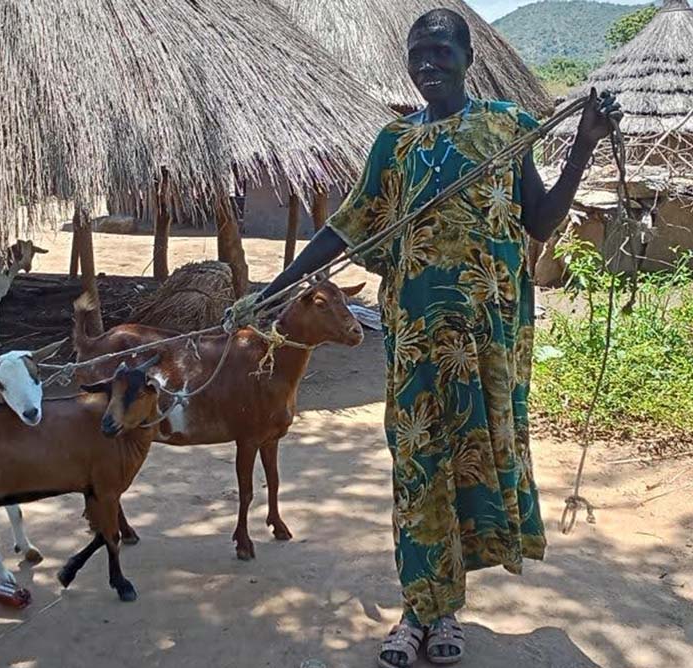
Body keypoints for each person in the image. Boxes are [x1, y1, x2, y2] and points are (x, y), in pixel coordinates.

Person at [227, 8, 622, 668]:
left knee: (473, 462)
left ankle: (447, 609)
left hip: (488, 339)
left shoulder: (505, 128)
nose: (427, 62)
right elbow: (347, 227)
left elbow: (544, 221)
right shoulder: (394, 143)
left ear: (470, 57)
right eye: (417, 53)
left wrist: (582, 145)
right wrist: (276, 286)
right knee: (418, 468)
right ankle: (421, 609)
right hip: (414, 338)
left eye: (441, 49)